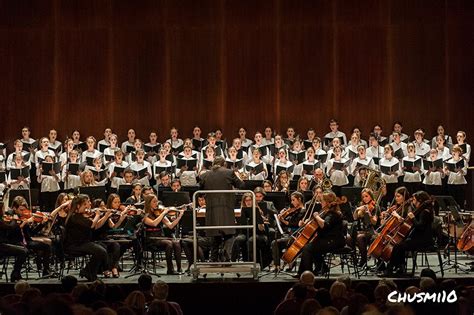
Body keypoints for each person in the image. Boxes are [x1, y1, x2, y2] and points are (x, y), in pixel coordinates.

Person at [199, 156, 244, 262]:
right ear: (224, 164)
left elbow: (200, 191)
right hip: (226, 208)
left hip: (212, 209)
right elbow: (241, 185)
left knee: (215, 235)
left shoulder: (205, 175)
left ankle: (213, 258)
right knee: (229, 233)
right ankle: (226, 252)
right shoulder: (229, 172)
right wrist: (237, 175)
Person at [383, 191, 434, 276]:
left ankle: (390, 269)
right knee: (400, 245)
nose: (413, 202)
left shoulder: (425, 211)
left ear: (420, 200)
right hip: (420, 238)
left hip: (424, 240)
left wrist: (413, 218)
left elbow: (420, 226)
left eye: (414, 200)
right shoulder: (423, 210)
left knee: (398, 246)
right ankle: (400, 268)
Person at [297, 191, 345, 276]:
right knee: (313, 246)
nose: (320, 202)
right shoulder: (326, 211)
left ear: (327, 202)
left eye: (322, 200)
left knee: (308, 248)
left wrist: (316, 216)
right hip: (327, 239)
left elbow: (324, 225)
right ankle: (322, 267)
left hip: (334, 240)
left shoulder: (333, 213)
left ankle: (306, 273)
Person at [64, 194, 109, 281]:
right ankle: (88, 272)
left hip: (83, 242)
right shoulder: (74, 217)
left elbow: (96, 226)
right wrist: (97, 215)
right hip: (75, 245)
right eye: (85, 204)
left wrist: (106, 215)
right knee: (100, 251)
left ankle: (90, 271)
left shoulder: (81, 216)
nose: (87, 206)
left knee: (103, 248)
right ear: (78, 206)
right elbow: (92, 225)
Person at [142, 194, 183, 274]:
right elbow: (154, 223)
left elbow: (170, 225)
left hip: (160, 237)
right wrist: (163, 213)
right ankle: (170, 269)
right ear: (148, 203)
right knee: (169, 243)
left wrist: (179, 217)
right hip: (150, 239)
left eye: (157, 201)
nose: (156, 203)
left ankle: (179, 268)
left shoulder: (158, 212)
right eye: (154, 202)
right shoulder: (144, 214)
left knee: (176, 243)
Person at [350, 188, 380, 267]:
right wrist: (357, 210)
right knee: (350, 237)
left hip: (373, 230)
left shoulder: (375, 206)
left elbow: (374, 222)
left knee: (360, 237)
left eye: (366, 196)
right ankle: (355, 259)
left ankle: (363, 259)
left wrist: (368, 214)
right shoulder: (362, 206)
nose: (364, 198)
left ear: (371, 196)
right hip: (364, 230)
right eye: (363, 197)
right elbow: (355, 218)